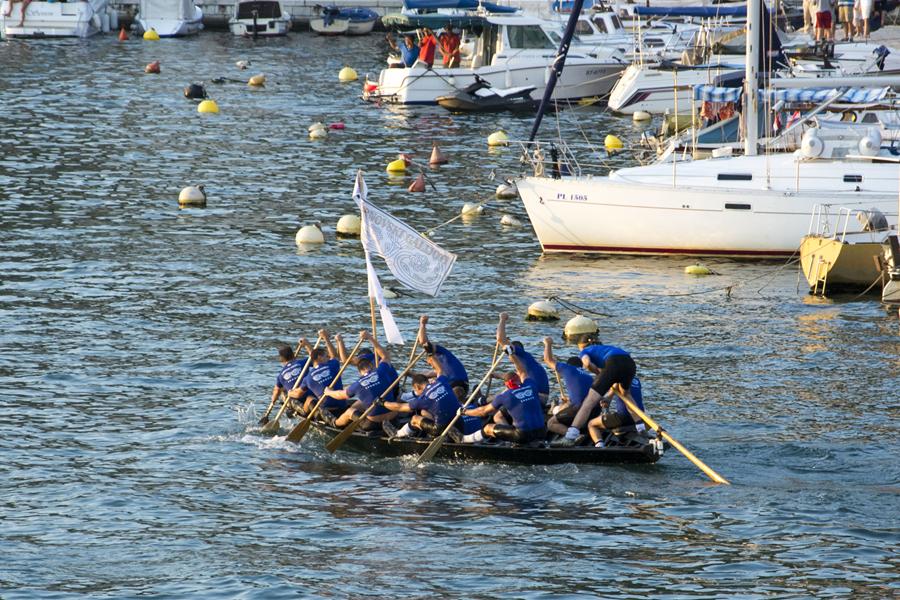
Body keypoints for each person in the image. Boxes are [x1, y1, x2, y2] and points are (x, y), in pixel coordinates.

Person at [551, 333, 640, 447]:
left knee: (589, 402)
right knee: (626, 395)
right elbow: (613, 380)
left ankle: (570, 437)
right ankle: (641, 427)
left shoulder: (585, 351)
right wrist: (608, 394)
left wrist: (597, 373)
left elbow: (587, 363)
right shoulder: (606, 349)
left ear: (582, 346)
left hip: (614, 364)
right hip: (630, 364)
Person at [323, 331, 399, 431]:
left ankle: (335, 423)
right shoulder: (382, 370)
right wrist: (370, 337)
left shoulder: (358, 384)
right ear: (372, 366)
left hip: (372, 424)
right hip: (394, 418)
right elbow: (385, 356)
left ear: (359, 371)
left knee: (350, 410)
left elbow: (340, 395)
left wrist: (328, 392)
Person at [460, 364, 547, 445]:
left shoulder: (505, 396)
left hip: (522, 435)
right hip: (542, 432)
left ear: (507, 385)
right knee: (500, 415)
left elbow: (483, 412)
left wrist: (464, 412)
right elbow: (522, 371)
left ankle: (464, 439)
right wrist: (511, 355)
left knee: (488, 428)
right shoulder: (531, 384)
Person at [382, 373, 465, 440]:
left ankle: (397, 434)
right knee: (424, 412)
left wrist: (383, 403)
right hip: (458, 422)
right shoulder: (441, 381)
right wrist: (431, 356)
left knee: (415, 418)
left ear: (417, 387)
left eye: (415, 390)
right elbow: (440, 370)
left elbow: (400, 407)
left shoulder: (423, 398)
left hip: (440, 428)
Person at [288, 330, 346, 421]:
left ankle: (307, 413)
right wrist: (326, 338)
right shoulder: (332, 365)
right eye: (326, 356)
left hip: (326, 409)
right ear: (320, 357)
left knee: (309, 398)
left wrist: (290, 392)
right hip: (342, 404)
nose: (328, 358)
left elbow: (298, 394)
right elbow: (334, 356)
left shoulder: (307, 378)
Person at [496, 312, 550, 405]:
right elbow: (514, 376)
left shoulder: (519, 354)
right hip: (543, 399)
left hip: (535, 396)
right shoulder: (527, 361)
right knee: (511, 386)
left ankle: (484, 402)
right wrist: (495, 375)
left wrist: (502, 319)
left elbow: (500, 339)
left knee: (505, 394)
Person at [416, 315, 469, 400]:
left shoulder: (440, 353)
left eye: (430, 363)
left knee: (430, 386)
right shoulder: (442, 365)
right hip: (464, 387)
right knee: (431, 380)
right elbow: (426, 375)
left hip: (456, 385)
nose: (432, 366)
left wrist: (422, 324)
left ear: (431, 358)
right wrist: (410, 374)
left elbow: (423, 341)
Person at [269, 342, 309, 415]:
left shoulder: (281, 375)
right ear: (293, 354)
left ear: (281, 359)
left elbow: (276, 391)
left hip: (297, 398)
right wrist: (307, 345)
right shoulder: (303, 362)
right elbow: (314, 357)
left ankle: (290, 407)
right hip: (310, 393)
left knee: (283, 391)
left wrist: (273, 402)